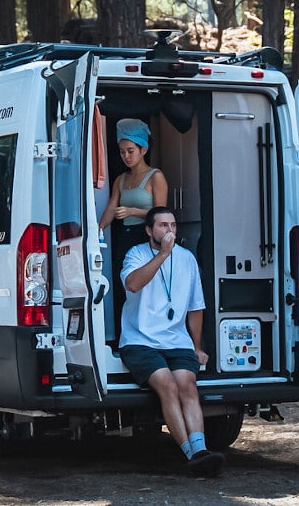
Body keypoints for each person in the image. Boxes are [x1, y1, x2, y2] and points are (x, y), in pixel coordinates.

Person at [119, 206, 224, 477]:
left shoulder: (187, 259)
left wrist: (197, 346)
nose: (170, 231)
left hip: (176, 340)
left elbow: (195, 307)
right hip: (140, 340)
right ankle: (190, 453)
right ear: (149, 230)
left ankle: (201, 450)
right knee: (167, 384)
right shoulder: (136, 255)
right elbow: (132, 284)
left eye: (173, 225)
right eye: (163, 226)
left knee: (187, 384)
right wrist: (163, 255)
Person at [99, 118, 168, 337]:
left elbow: (162, 215)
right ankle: (125, 335)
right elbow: (111, 207)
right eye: (122, 152)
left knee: (147, 288)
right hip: (126, 238)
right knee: (123, 286)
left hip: (146, 238)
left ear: (143, 149)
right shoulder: (121, 178)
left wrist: (132, 212)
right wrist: (97, 230)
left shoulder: (155, 176)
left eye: (130, 151)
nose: (126, 157)